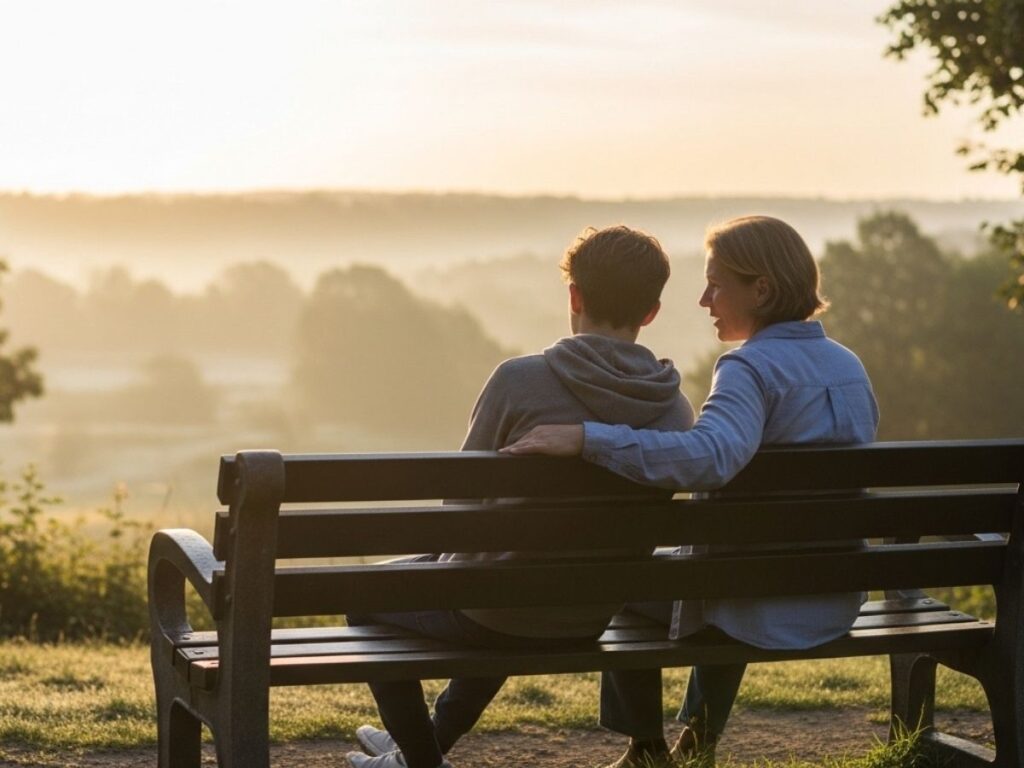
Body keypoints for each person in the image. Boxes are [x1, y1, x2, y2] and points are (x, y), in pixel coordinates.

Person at [503, 215, 880, 768]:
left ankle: (647, 748)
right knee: (723, 563)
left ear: (762, 289)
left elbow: (710, 457)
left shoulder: (749, 368)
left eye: (716, 284)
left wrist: (590, 438)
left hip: (753, 600)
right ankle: (694, 745)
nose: (705, 300)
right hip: (833, 593)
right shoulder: (848, 366)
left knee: (626, 580)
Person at [345, 225, 696, 768]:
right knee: (501, 581)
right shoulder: (674, 409)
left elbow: (458, 509)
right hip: (593, 612)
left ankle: (418, 760)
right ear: (651, 312)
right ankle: (420, 747)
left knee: (365, 597)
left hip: (497, 608)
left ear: (574, 296)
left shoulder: (518, 380)